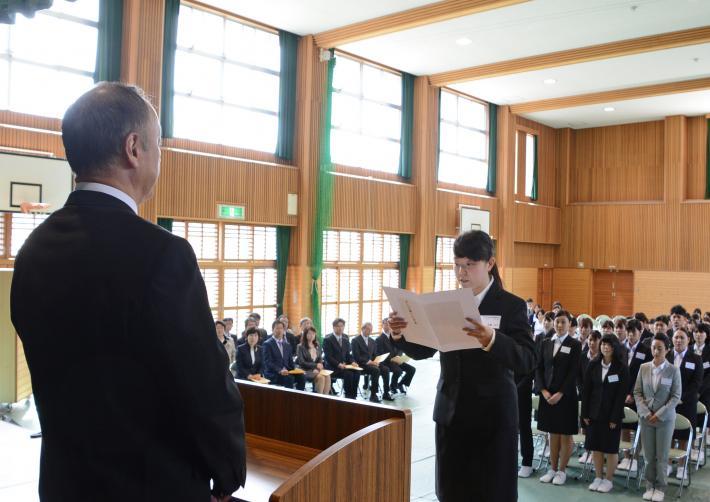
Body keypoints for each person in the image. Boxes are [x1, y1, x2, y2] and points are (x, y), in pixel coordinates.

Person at [10, 82, 245, 501]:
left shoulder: (32, 251)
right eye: (158, 147)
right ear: (134, 148)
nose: (159, 160)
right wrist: (227, 472)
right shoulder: (163, 255)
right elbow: (204, 386)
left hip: (65, 485)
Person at [388, 230, 536, 502]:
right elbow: (425, 349)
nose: (462, 272)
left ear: (489, 264)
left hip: (492, 421)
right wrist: (400, 334)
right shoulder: (447, 301)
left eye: (470, 265)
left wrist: (491, 339)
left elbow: (527, 360)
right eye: (457, 265)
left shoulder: (511, 306)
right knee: (451, 492)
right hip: (451, 415)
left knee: (491, 493)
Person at [536, 310, 582, 486]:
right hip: (547, 395)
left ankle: (562, 471)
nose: (560, 325)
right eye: (557, 322)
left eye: (563, 322)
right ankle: (552, 468)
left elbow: (573, 373)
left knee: (565, 435)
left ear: (569, 324)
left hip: (566, 395)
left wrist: (560, 393)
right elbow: (539, 368)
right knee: (551, 433)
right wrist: (543, 391)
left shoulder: (575, 344)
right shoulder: (546, 342)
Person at [634, 334, 681, 502]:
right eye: (653, 348)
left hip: (665, 420)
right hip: (646, 418)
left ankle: (660, 487)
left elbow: (675, 396)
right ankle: (649, 485)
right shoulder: (643, 367)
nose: (655, 351)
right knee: (648, 455)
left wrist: (659, 414)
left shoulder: (673, 370)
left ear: (667, 350)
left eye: (659, 348)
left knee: (661, 456)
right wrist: (646, 412)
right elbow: (637, 393)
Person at [581, 334, 629, 493]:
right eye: (603, 344)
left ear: (614, 348)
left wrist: (615, 417)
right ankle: (598, 477)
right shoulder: (593, 364)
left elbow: (621, 395)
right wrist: (585, 414)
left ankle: (608, 479)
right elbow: (586, 391)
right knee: (596, 447)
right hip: (594, 413)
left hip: (611, 416)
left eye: (609, 345)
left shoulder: (621, 367)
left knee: (610, 448)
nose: (605, 347)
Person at [666, 328, 703, 481]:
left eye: (682, 337)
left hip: (686, 403)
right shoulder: (666, 356)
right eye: (676, 337)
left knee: (683, 436)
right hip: (667, 403)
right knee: (668, 435)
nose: (678, 340)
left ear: (688, 340)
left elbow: (696, 383)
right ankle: (667, 464)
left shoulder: (695, 358)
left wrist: (680, 398)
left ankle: (682, 466)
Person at [619, 318, 653, 473]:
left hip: (637, 395)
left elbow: (645, 375)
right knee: (623, 426)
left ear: (640, 332)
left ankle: (635, 457)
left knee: (637, 426)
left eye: (634, 332)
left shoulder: (646, 351)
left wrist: (632, 394)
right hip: (620, 394)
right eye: (628, 332)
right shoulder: (620, 348)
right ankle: (626, 456)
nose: (630, 335)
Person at [352, 321, 393, 403]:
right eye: (367, 329)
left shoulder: (372, 341)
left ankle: (386, 393)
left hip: (372, 363)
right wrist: (369, 362)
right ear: (362, 329)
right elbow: (356, 356)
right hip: (361, 364)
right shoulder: (355, 340)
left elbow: (375, 354)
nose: (369, 332)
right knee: (376, 370)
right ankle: (373, 395)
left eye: (371, 330)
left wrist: (378, 360)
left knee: (386, 369)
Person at [262, 319, 305, 390]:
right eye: (277, 328)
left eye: (281, 328)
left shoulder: (287, 344)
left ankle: (299, 398)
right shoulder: (267, 344)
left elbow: (290, 361)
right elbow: (268, 362)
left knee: (301, 376)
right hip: (273, 373)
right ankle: (288, 399)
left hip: (286, 371)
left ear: (284, 330)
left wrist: (295, 369)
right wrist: (279, 370)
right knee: (289, 379)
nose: (279, 330)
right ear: (273, 330)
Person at [323, 318, 360, 399]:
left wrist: (353, 362)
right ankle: (348, 396)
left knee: (357, 372)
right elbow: (328, 357)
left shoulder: (345, 340)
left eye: (342, 326)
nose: (340, 328)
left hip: (344, 366)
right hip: (333, 367)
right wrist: (338, 364)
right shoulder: (328, 340)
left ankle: (354, 395)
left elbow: (348, 355)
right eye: (338, 326)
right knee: (349, 373)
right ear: (333, 327)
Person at [376, 318, 416, 394]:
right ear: (383, 325)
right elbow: (380, 353)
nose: (388, 326)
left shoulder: (394, 336)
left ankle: (400, 384)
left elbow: (400, 348)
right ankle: (393, 386)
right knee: (398, 371)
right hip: (387, 362)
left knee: (412, 369)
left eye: (389, 324)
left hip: (396, 360)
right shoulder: (379, 339)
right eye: (386, 324)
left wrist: (398, 356)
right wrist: (391, 359)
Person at [296, 326, 331, 395]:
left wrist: (318, 367)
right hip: (305, 370)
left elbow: (320, 359)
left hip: (316, 370)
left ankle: (326, 398)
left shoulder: (317, 345)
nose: (311, 335)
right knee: (321, 377)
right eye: (309, 333)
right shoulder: (300, 346)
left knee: (327, 376)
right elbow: (301, 362)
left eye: (313, 334)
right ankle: (319, 399)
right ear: (305, 335)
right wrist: (315, 366)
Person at [691, 323, 710, 411]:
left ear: (707, 335)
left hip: (705, 391)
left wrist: (699, 391)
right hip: (688, 392)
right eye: (696, 331)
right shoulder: (687, 349)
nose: (698, 334)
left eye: (701, 332)